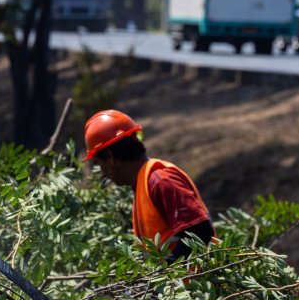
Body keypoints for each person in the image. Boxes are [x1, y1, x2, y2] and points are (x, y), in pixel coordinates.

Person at [82, 109, 215, 260]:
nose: (102, 172)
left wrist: (166, 269)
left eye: (99, 164)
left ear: (110, 157)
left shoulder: (160, 180)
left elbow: (201, 230)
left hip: (199, 275)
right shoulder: (143, 184)